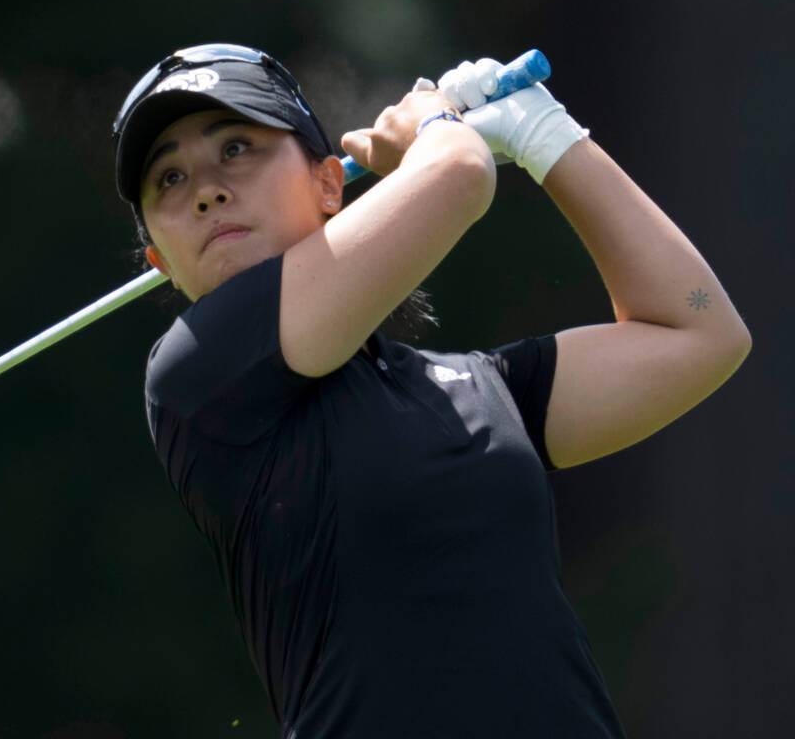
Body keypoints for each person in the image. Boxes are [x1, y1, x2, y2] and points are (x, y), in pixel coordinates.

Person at [111, 44, 750, 738]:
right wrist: (434, 127)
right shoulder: (194, 377)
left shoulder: (477, 390)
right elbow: (459, 173)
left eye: (236, 147)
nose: (205, 188)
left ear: (331, 185)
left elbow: (699, 335)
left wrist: (548, 135)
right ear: (160, 261)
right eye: (168, 178)